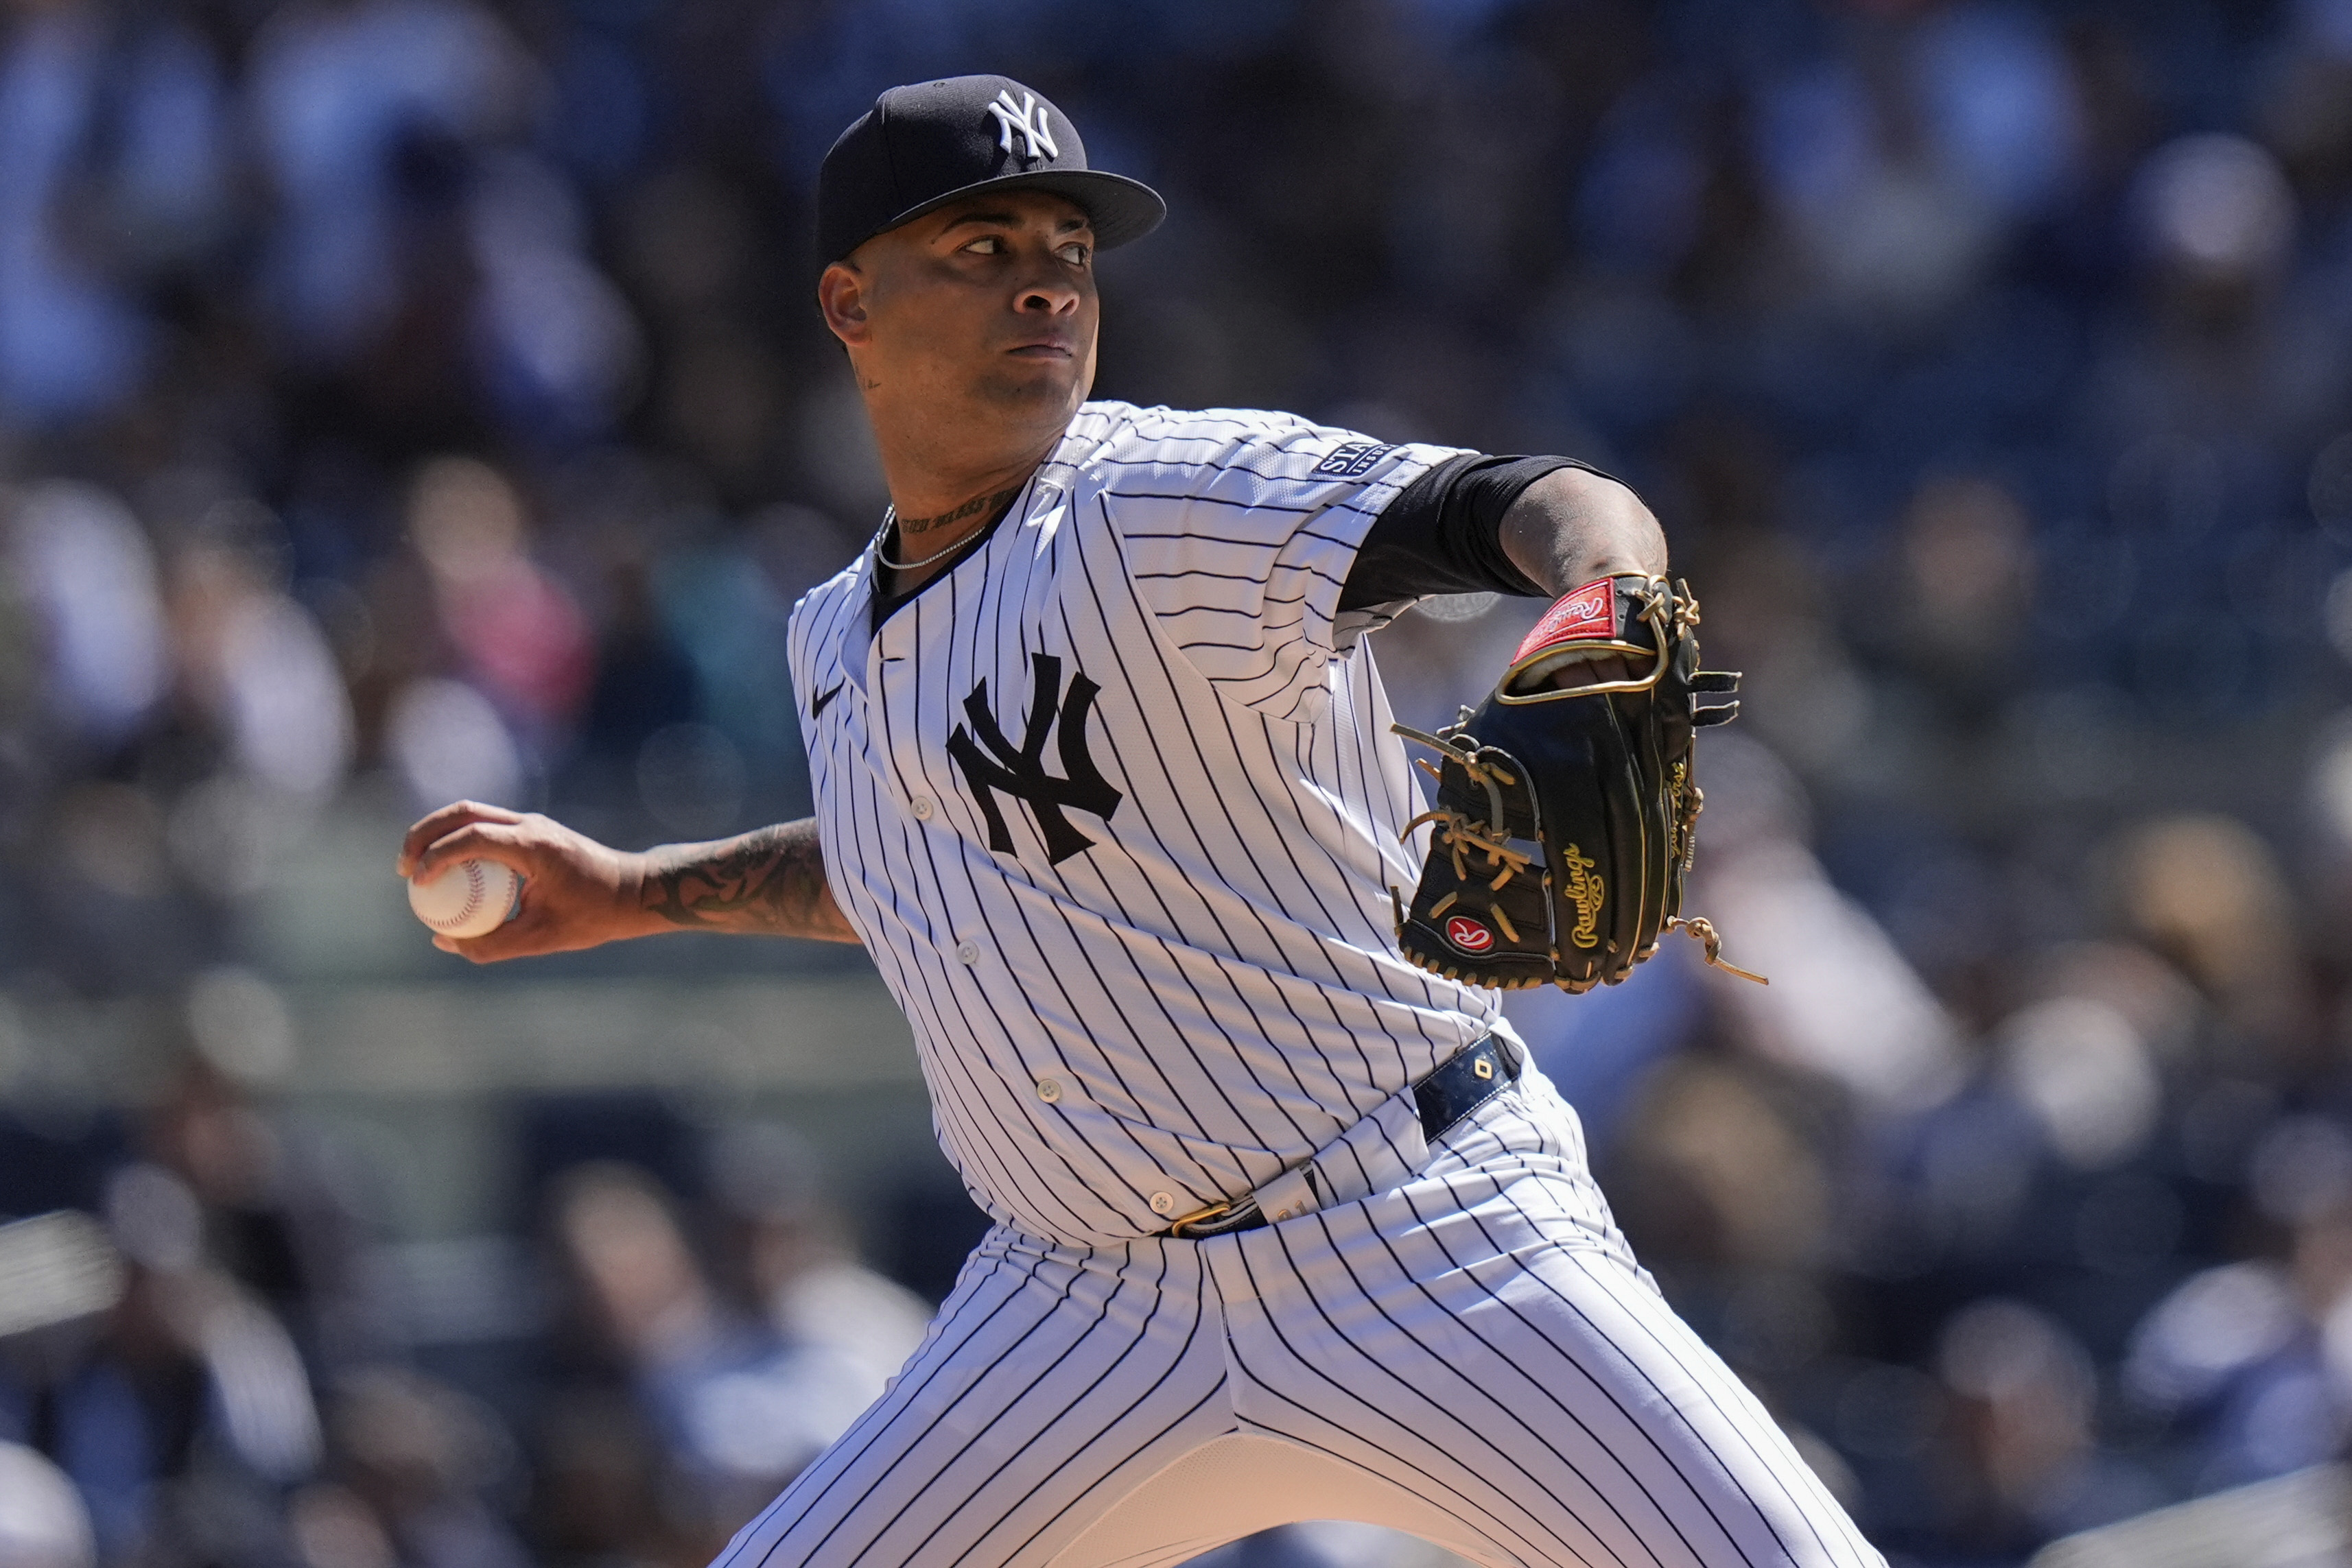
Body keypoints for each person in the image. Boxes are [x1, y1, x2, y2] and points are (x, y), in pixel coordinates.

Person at [399, 73, 1881, 1568]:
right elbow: (909, 870)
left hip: (1426, 1235)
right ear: (849, 303)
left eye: (1068, 247)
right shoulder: (830, 637)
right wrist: (635, 889)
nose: (1044, 279)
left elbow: (1540, 500)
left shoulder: (1158, 499)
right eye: (982, 249)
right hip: (1082, 1313)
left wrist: (1603, 600)